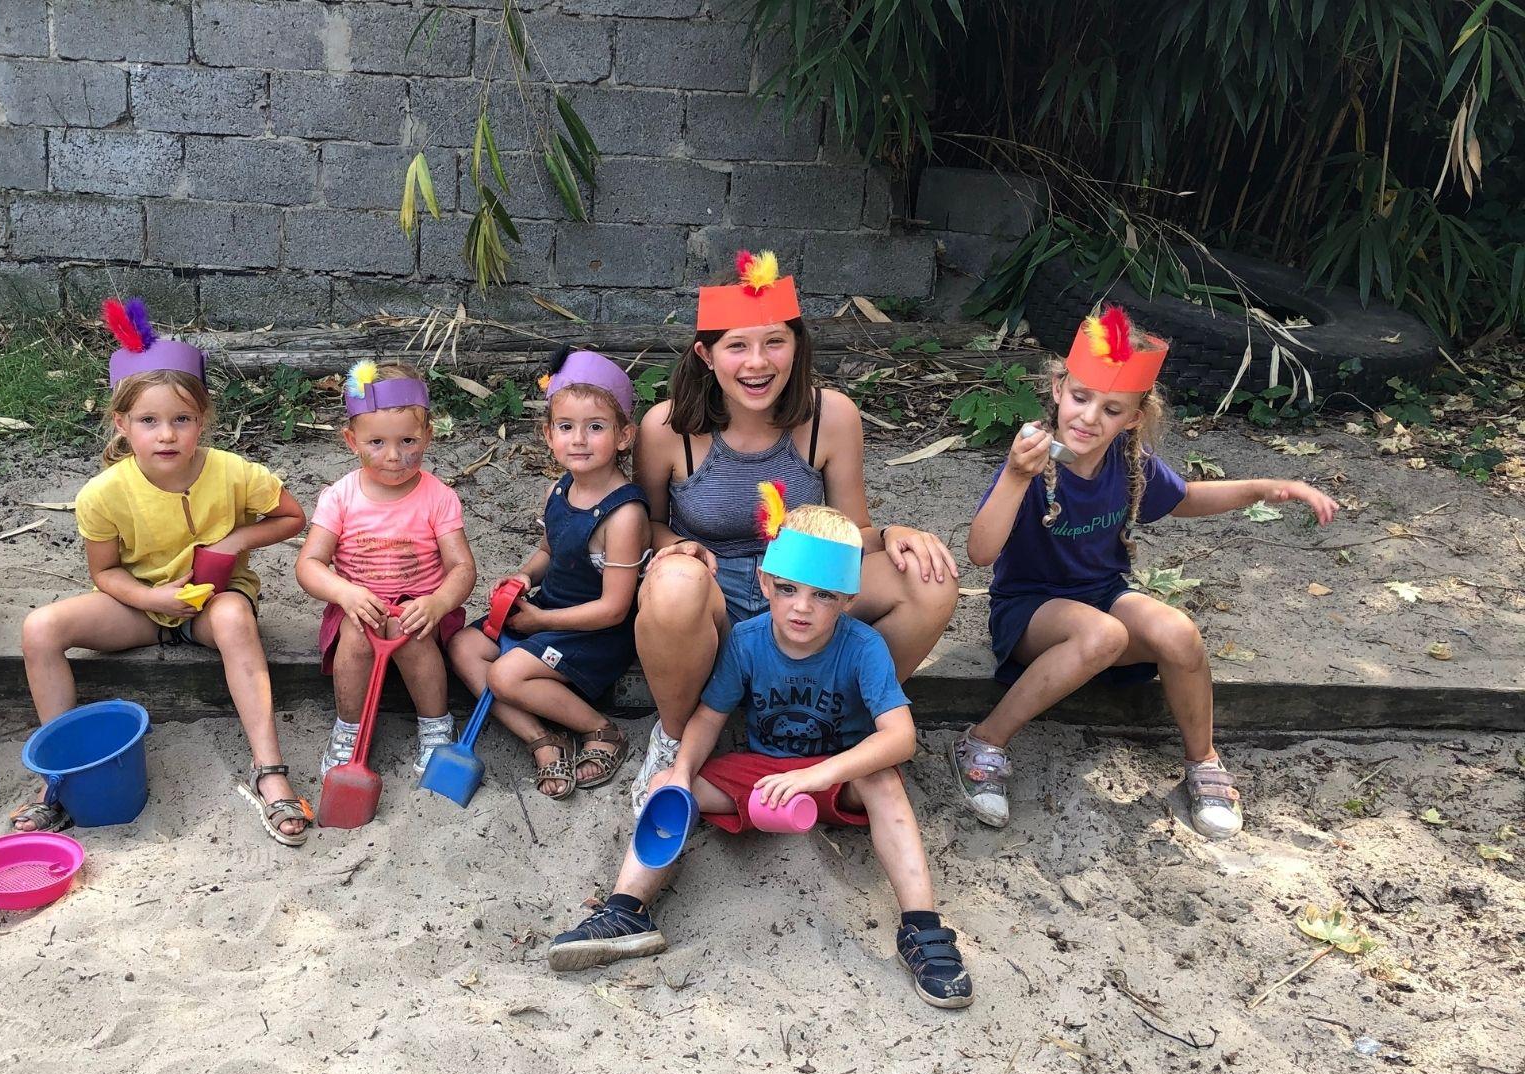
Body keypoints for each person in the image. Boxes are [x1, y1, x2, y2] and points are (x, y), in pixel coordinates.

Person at [548, 498, 974, 1009]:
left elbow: (899, 738)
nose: (801, 607)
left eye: (823, 594)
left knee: (883, 780)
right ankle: (626, 909)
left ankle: (923, 928)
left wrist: (819, 775)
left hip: (837, 772)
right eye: (788, 589)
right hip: (764, 778)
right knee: (670, 789)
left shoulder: (863, 647)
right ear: (765, 582)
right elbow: (710, 716)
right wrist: (681, 770)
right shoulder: (748, 640)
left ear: (848, 599)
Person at [960, 306, 1338, 839]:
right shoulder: (1033, 461)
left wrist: (1264, 488)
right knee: (1104, 634)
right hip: (1028, 612)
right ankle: (984, 741)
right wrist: (1015, 475)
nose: (1090, 418)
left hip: (1103, 596)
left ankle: (1203, 760)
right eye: (1081, 397)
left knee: (1179, 632)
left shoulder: (1127, 462)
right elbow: (980, 552)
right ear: (1058, 388)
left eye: (1112, 409)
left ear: (1134, 417)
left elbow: (1187, 498)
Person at [628, 250, 959, 811]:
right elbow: (647, 525)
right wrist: (677, 545)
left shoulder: (832, 416)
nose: (757, 363)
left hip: (809, 588)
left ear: (797, 346)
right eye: (737, 345)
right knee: (674, 584)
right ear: (706, 354)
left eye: (774, 342)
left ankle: (847, 719)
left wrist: (893, 533)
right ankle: (676, 738)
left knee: (929, 578)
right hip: (714, 594)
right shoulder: (667, 427)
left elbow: (852, 529)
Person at [17, 298, 311, 845]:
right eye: (149, 421)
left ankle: (269, 769)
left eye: (182, 420)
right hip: (140, 605)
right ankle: (56, 775)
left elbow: (293, 517)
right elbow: (105, 573)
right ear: (122, 424)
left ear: (203, 420)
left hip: (214, 600)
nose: (167, 435)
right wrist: (153, 599)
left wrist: (237, 538)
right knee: (39, 628)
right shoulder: (103, 494)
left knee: (235, 620)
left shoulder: (235, 473)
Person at [448, 349, 650, 798]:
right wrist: (524, 577)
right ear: (548, 434)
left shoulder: (624, 515)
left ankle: (602, 730)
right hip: (548, 610)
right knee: (463, 646)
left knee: (505, 676)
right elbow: (547, 550)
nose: (579, 439)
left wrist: (540, 622)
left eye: (595, 427)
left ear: (624, 435)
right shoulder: (559, 488)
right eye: (566, 427)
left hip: (593, 633)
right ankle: (543, 740)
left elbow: (615, 609)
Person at [295, 362, 477, 778]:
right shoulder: (340, 496)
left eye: (407, 440)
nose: (393, 456)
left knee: (407, 630)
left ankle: (435, 724)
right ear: (351, 441)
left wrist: (437, 603)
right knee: (359, 632)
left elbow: (462, 567)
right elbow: (309, 564)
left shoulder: (438, 497)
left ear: (428, 436)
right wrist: (344, 593)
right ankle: (350, 727)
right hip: (358, 605)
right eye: (376, 442)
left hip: (423, 608)